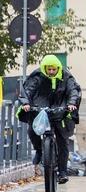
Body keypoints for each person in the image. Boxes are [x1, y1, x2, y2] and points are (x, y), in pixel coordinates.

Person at [17, 55, 81, 183]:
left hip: (60, 110)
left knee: (63, 141)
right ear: (44, 68)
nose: (51, 72)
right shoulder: (37, 76)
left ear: (58, 68)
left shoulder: (66, 77)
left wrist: (72, 103)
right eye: (49, 69)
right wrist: (26, 104)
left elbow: (73, 90)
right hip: (40, 109)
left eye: (53, 69)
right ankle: (40, 150)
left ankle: (62, 172)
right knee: (32, 129)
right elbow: (27, 90)